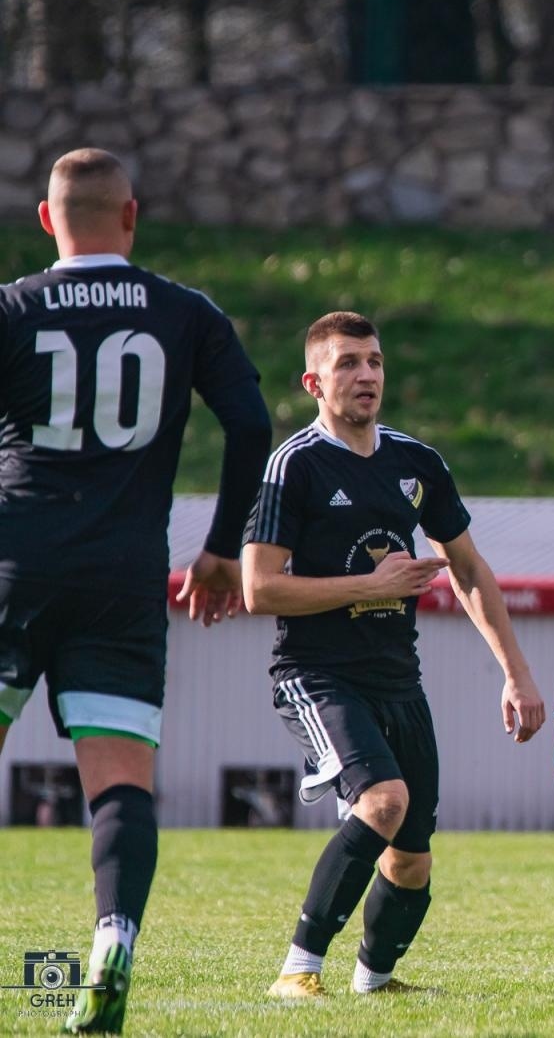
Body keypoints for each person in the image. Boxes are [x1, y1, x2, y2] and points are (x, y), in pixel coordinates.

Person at [0, 148, 273, 1035]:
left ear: (47, 220)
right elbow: (250, 423)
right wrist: (222, 550)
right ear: (132, 215)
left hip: (15, 563)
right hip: (122, 577)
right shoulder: (184, 312)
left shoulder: (13, 307)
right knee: (120, 786)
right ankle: (111, 937)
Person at [243, 311, 545, 999]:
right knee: (382, 802)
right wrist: (370, 584)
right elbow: (258, 588)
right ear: (313, 381)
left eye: (375, 361)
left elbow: (468, 569)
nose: (367, 374)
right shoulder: (296, 464)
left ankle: (374, 981)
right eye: (348, 362)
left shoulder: (417, 463)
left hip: (398, 680)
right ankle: (298, 969)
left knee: (411, 858)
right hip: (315, 675)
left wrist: (517, 673)